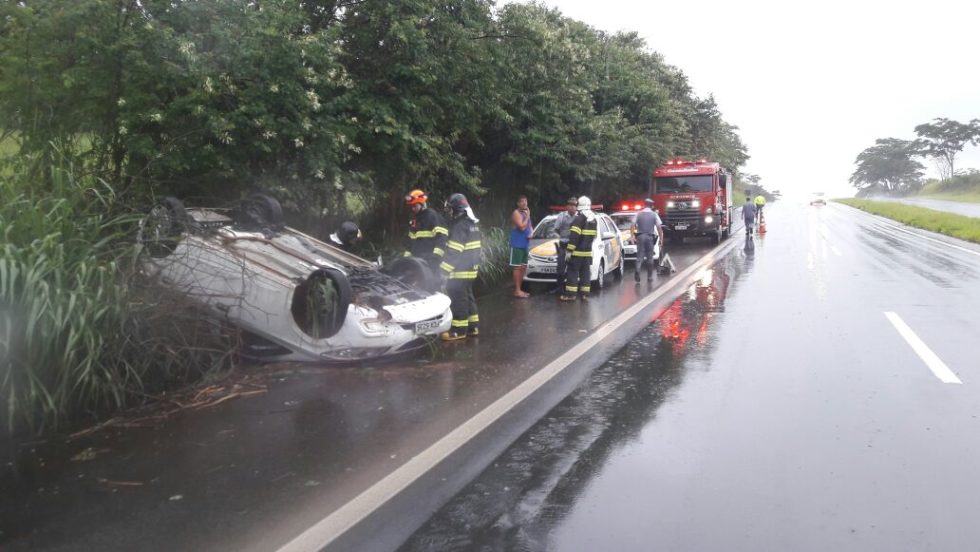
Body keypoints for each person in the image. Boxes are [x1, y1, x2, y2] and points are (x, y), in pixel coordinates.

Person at [439, 193, 482, 341]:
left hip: (460, 271)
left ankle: (459, 330)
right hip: (471, 269)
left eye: (450, 209)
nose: (449, 212)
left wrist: (443, 270)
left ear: (457, 209)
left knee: (458, 299)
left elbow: (453, 252)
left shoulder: (459, 226)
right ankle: (473, 327)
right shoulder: (472, 224)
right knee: (468, 296)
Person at [560, 196, 598, 302]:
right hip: (587, 253)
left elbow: (574, 237)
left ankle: (571, 295)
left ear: (579, 206)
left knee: (572, 272)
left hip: (577, 253)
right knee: (585, 273)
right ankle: (584, 294)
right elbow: (594, 236)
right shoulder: (593, 219)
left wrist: (569, 251)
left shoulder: (579, 219)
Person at [403, 188, 449, 272]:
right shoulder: (414, 220)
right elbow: (409, 244)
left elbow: (442, 240)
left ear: (422, 204)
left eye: (415, 206)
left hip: (430, 265)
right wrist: (405, 261)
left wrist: (435, 259)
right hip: (416, 264)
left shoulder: (432, 216)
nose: (413, 209)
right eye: (411, 206)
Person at [631, 198, 664, 282]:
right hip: (649, 237)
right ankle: (649, 277)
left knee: (639, 256)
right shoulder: (654, 215)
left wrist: (632, 236)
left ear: (644, 205)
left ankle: (637, 271)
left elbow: (632, 224)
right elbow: (659, 227)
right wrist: (661, 238)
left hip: (640, 236)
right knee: (650, 257)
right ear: (652, 206)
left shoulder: (638, 214)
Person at [509, 195, 533, 298]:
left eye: (525, 201)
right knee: (517, 267)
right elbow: (522, 227)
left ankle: (520, 289)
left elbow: (529, 226)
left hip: (525, 244)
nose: (524, 203)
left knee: (523, 267)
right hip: (517, 244)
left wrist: (532, 233)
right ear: (518, 204)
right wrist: (528, 216)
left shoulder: (525, 213)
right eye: (522, 201)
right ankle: (517, 290)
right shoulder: (516, 213)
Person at [554, 197, 578, 293]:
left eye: (574, 205)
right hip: (564, 246)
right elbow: (556, 229)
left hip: (575, 247)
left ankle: (571, 288)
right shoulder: (562, 216)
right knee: (561, 268)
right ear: (567, 207)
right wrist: (561, 238)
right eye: (570, 205)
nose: (572, 207)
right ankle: (559, 288)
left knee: (573, 268)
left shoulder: (579, 217)